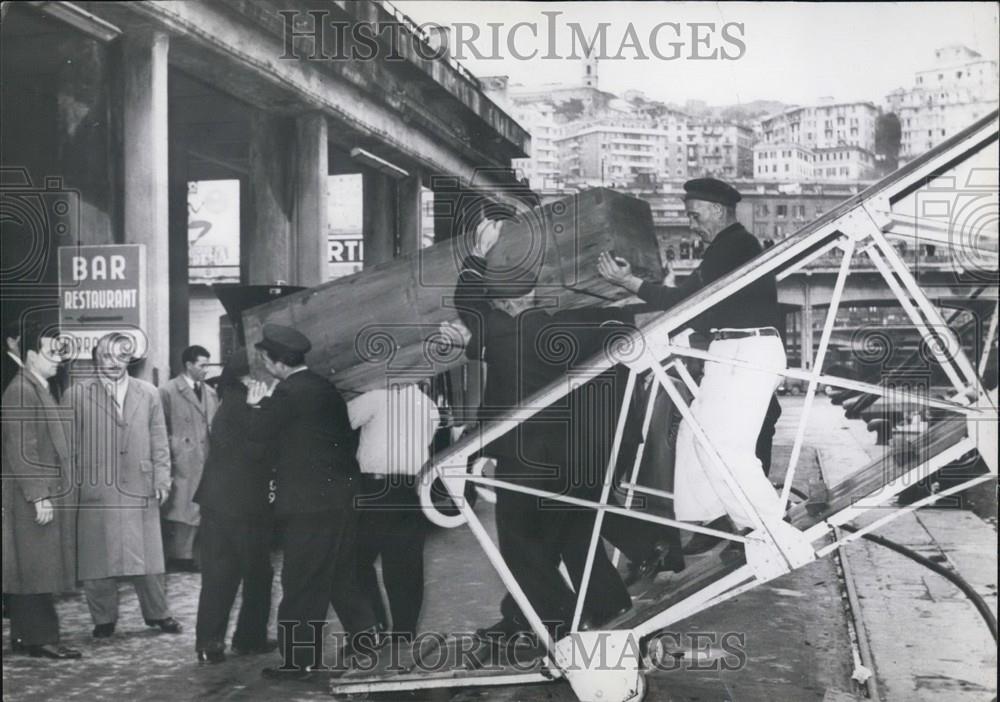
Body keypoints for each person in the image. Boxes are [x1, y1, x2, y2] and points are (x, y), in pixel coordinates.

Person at [452, 217, 636, 643]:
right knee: (576, 538)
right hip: (576, 462)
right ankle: (608, 606)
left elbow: (468, 303)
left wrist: (478, 253)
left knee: (521, 550)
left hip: (527, 466)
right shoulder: (568, 331)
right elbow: (620, 328)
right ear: (531, 295)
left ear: (506, 305)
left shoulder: (500, 337)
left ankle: (561, 622)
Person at [598, 177, 787, 556]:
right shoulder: (723, 249)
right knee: (693, 433)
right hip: (729, 350)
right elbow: (702, 310)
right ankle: (714, 518)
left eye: (694, 215)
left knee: (727, 447)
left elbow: (687, 301)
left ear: (717, 211)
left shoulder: (734, 247)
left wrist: (629, 282)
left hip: (748, 351)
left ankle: (770, 531)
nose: (691, 223)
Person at [245, 324, 380, 680]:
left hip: (309, 505)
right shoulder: (325, 388)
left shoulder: (287, 394)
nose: (263, 363)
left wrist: (256, 406)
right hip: (342, 498)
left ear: (276, 362)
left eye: (264, 358)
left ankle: (299, 661)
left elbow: (256, 446)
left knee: (301, 582)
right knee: (340, 576)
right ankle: (367, 642)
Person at [70, 332, 182, 638]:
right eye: (107, 356)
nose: (114, 363)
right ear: (96, 360)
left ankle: (159, 614)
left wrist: (162, 478)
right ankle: (103, 619)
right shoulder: (76, 395)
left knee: (149, 559)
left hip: (140, 485)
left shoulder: (148, 393)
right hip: (96, 487)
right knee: (96, 561)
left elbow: (160, 441)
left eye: (121, 356)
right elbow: (68, 446)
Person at [1, 323, 80, 659]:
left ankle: (25, 637)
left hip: (35, 492)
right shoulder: (22, 390)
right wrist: (39, 495)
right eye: (52, 352)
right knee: (38, 568)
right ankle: (42, 638)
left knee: (30, 567)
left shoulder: (37, 387)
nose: (58, 359)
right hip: (29, 495)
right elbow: (23, 448)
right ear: (31, 355)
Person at [193, 347, 276, 664]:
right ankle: (249, 639)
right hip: (243, 505)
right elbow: (252, 452)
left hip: (219, 502)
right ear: (252, 375)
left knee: (219, 574)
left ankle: (209, 643)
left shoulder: (229, 399)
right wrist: (260, 411)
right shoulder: (243, 403)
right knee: (257, 573)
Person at [349, 383, 439, 641]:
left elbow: (341, 421)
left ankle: (372, 627)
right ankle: (404, 631)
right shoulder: (428, 405)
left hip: (376, 489)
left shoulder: (374, 397)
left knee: (355, 560)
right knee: (406, 563)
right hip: (413, 490)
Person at [159, 345, 219, 572]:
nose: (206, 370)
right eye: (202, 365)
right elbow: (159, 426)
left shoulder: (211, 393)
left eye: (207, 365)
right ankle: (179, 556)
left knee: (198, 507)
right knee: (181, 508)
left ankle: (193, 555)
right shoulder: (168, 391)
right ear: (189, 365)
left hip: (205, 458)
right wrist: (173, 450)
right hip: (182, 460)